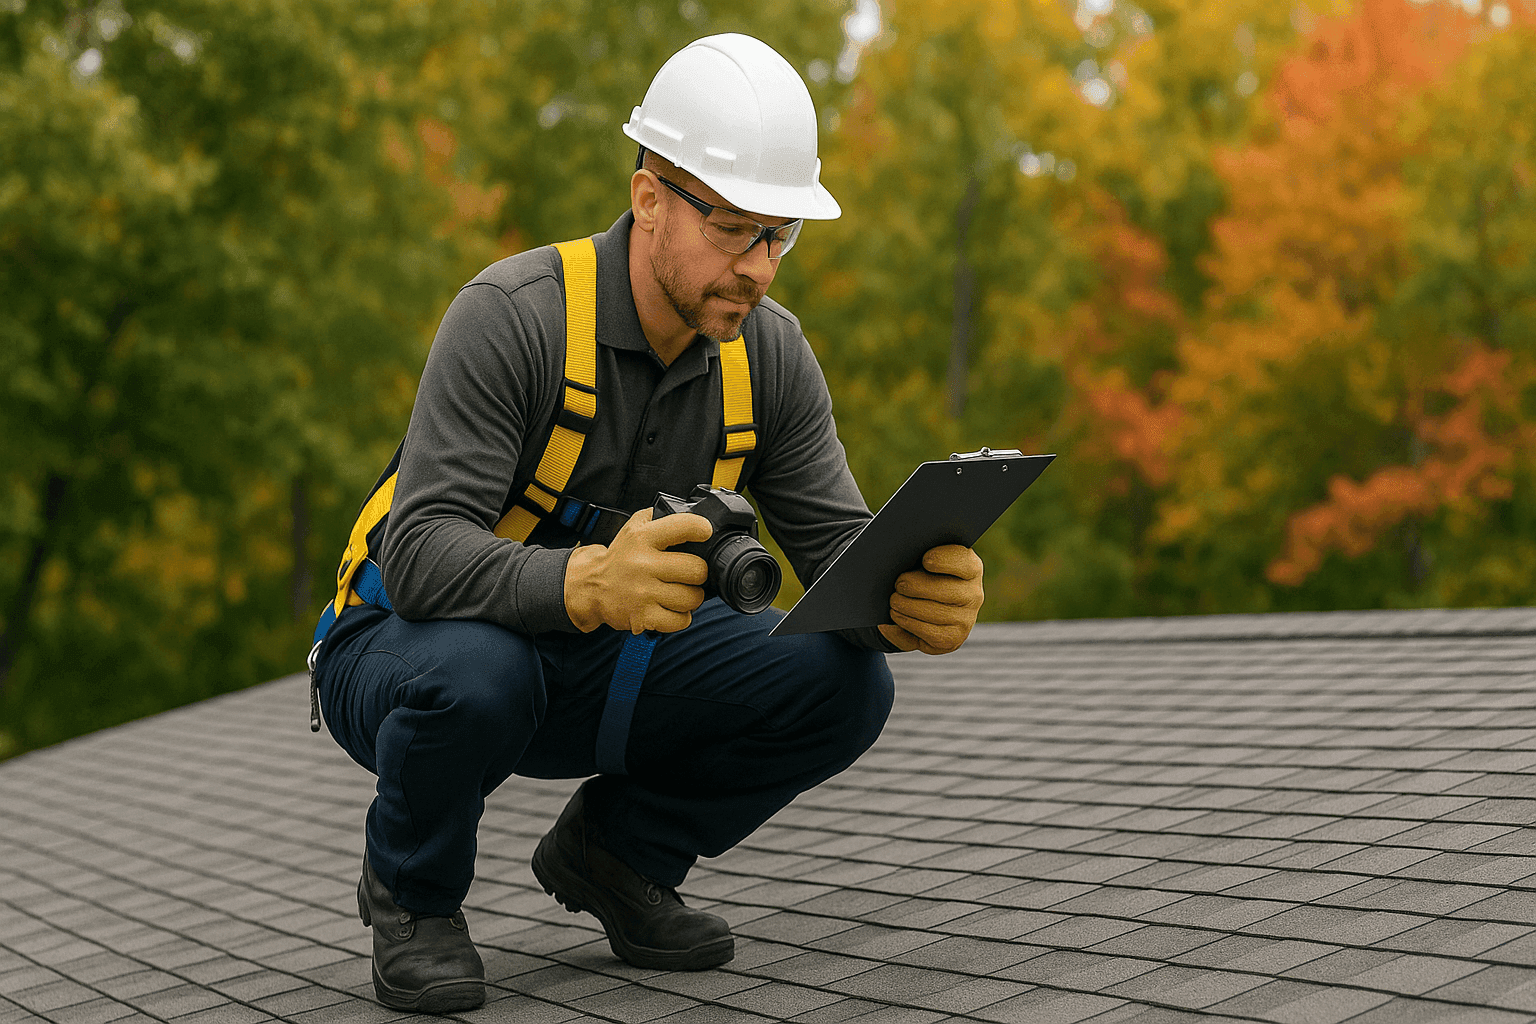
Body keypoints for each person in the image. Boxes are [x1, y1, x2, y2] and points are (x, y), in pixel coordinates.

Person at [311, 33, 985, 1014]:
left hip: (605, 659)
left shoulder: (772, 357)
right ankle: (411, 894)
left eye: (780, 236)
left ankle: (618, 854)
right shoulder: (514, 318)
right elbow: (415, 556)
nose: (759, 267)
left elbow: (840, 559)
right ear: (649, 201)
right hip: (403, 650)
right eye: (735, 230)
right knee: (480, 673)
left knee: (845, 680)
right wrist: (586, 581)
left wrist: (905, 597)